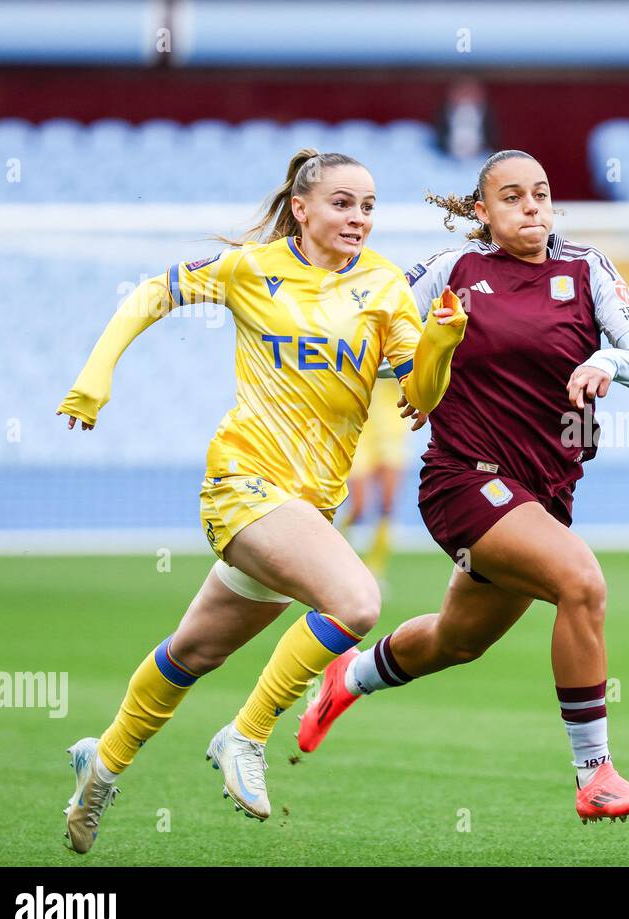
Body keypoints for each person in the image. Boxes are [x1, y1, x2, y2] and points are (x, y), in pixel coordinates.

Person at [56, 148, 468, 853]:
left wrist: (441, 340)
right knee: (357, 602)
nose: (358, 217)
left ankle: (102, 767)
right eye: (342, 203)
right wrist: (96, 377)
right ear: (302, 209)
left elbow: (419, 399)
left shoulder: (385, 288)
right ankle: (245, 735)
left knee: (193, 651)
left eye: (368, 205)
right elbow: (153, 293)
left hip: (307, 509)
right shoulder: (255, 269)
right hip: (242, 483)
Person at [295, 149, 629, 824]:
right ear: (482, 212)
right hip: (465, 480)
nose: (532, 207)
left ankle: (347, 677)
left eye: (542, 193)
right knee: (581, 582)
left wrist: (606, 359)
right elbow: (368, 331)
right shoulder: (453, 272)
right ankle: (596, 775)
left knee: (458, 641)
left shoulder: (586, 270)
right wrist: (412, 371)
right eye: (513, 197)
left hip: (542, 495)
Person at [341, 372, 414, 581]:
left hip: (392, 432)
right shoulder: (364, 341)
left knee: (387, 505)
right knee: (358, 507)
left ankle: (375, 570)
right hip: (360, 431)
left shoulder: (401, 342)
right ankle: (335, 562)